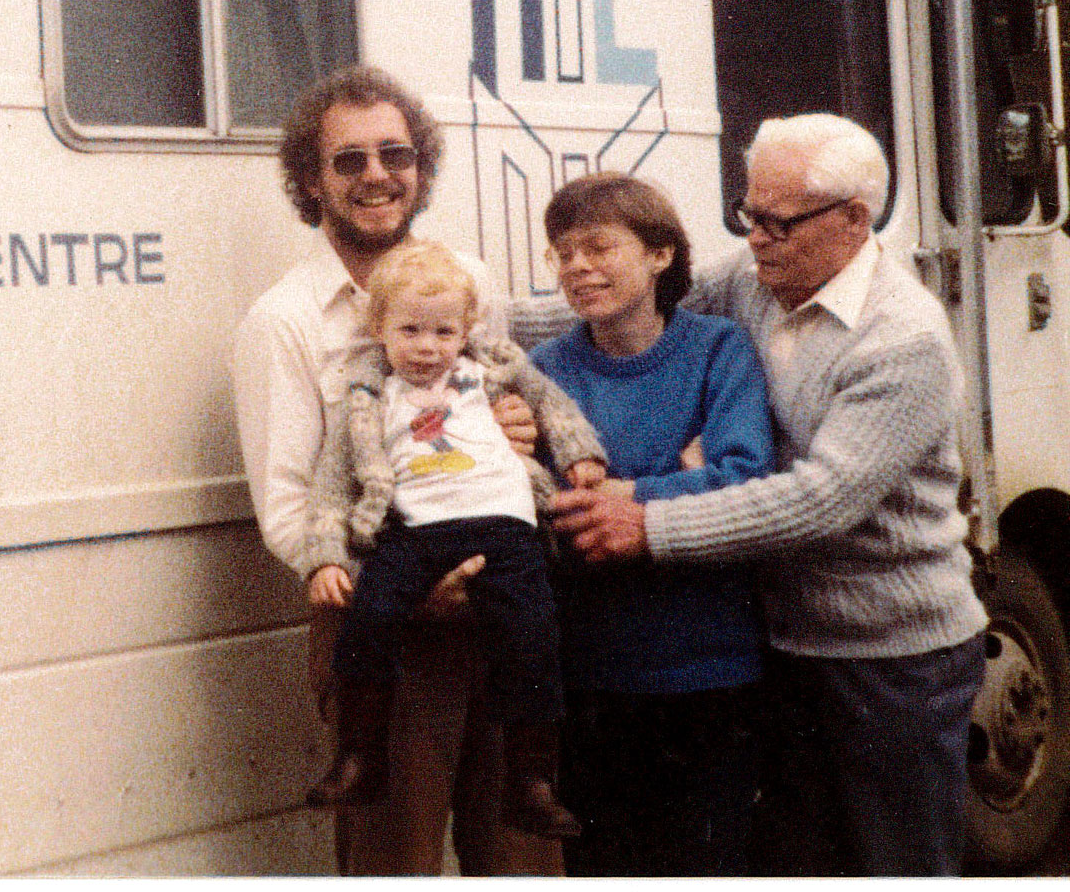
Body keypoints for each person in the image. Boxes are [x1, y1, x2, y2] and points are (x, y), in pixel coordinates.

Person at [550, 115, 988, 876]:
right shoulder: (758, 279)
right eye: (748, 216)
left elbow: (821, 500)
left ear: (855, 219)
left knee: (897, 862)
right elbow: (627, 297)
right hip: (785, 645)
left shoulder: (903, 336)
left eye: (778, 221)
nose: (756, 239)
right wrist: (451, 325)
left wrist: (648, 521)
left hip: (893, 658)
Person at [231, 63, 562, 876]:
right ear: (311, 180)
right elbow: (286, 508)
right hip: (390, 634)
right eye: (349, 160)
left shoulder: (469, 281)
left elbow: (495, 404)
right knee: (395, 865)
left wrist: (520, 436)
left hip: (500, 609)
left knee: (526, 860)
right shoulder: (287, 320)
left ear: (421, 166)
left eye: (396, 153)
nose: (377, 175)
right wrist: (409, 587)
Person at [302, 241, 603, 837]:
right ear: (379, 327)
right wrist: (324, 559)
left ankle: (532, 782)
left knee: (532, 634)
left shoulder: (490, 369)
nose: (426, 346)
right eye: (409, 329)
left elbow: (553, 404)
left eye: (443, 331)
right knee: (369, 621)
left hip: (504, 523)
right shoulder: (368, 395)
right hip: (415, 530)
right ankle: (361, 757)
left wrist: (578, 453)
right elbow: (331, 485)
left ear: (465, 329)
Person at [526, 172, 774, 875]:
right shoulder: (545, 372)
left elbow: (744, 481)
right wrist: (682, 472)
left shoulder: (717, 350)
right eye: (562, 254)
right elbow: (552, 516)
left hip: (711, 675)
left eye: (599, 247)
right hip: (593, 682)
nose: (578, 267)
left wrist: (625, 488)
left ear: (660, 254)